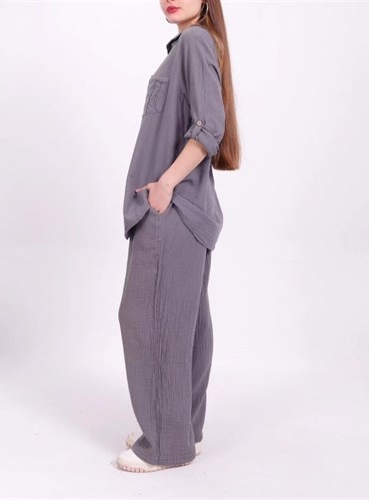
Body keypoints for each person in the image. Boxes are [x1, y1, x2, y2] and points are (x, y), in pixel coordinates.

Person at [116, 0, 240, 473]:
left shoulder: (194, 42)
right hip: (189, 211)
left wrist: (165, 185)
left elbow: (209, 127)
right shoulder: (192, 44)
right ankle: (183, 429)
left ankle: (166, 443)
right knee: (184, 323)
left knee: (151, 321)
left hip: (173, 210)